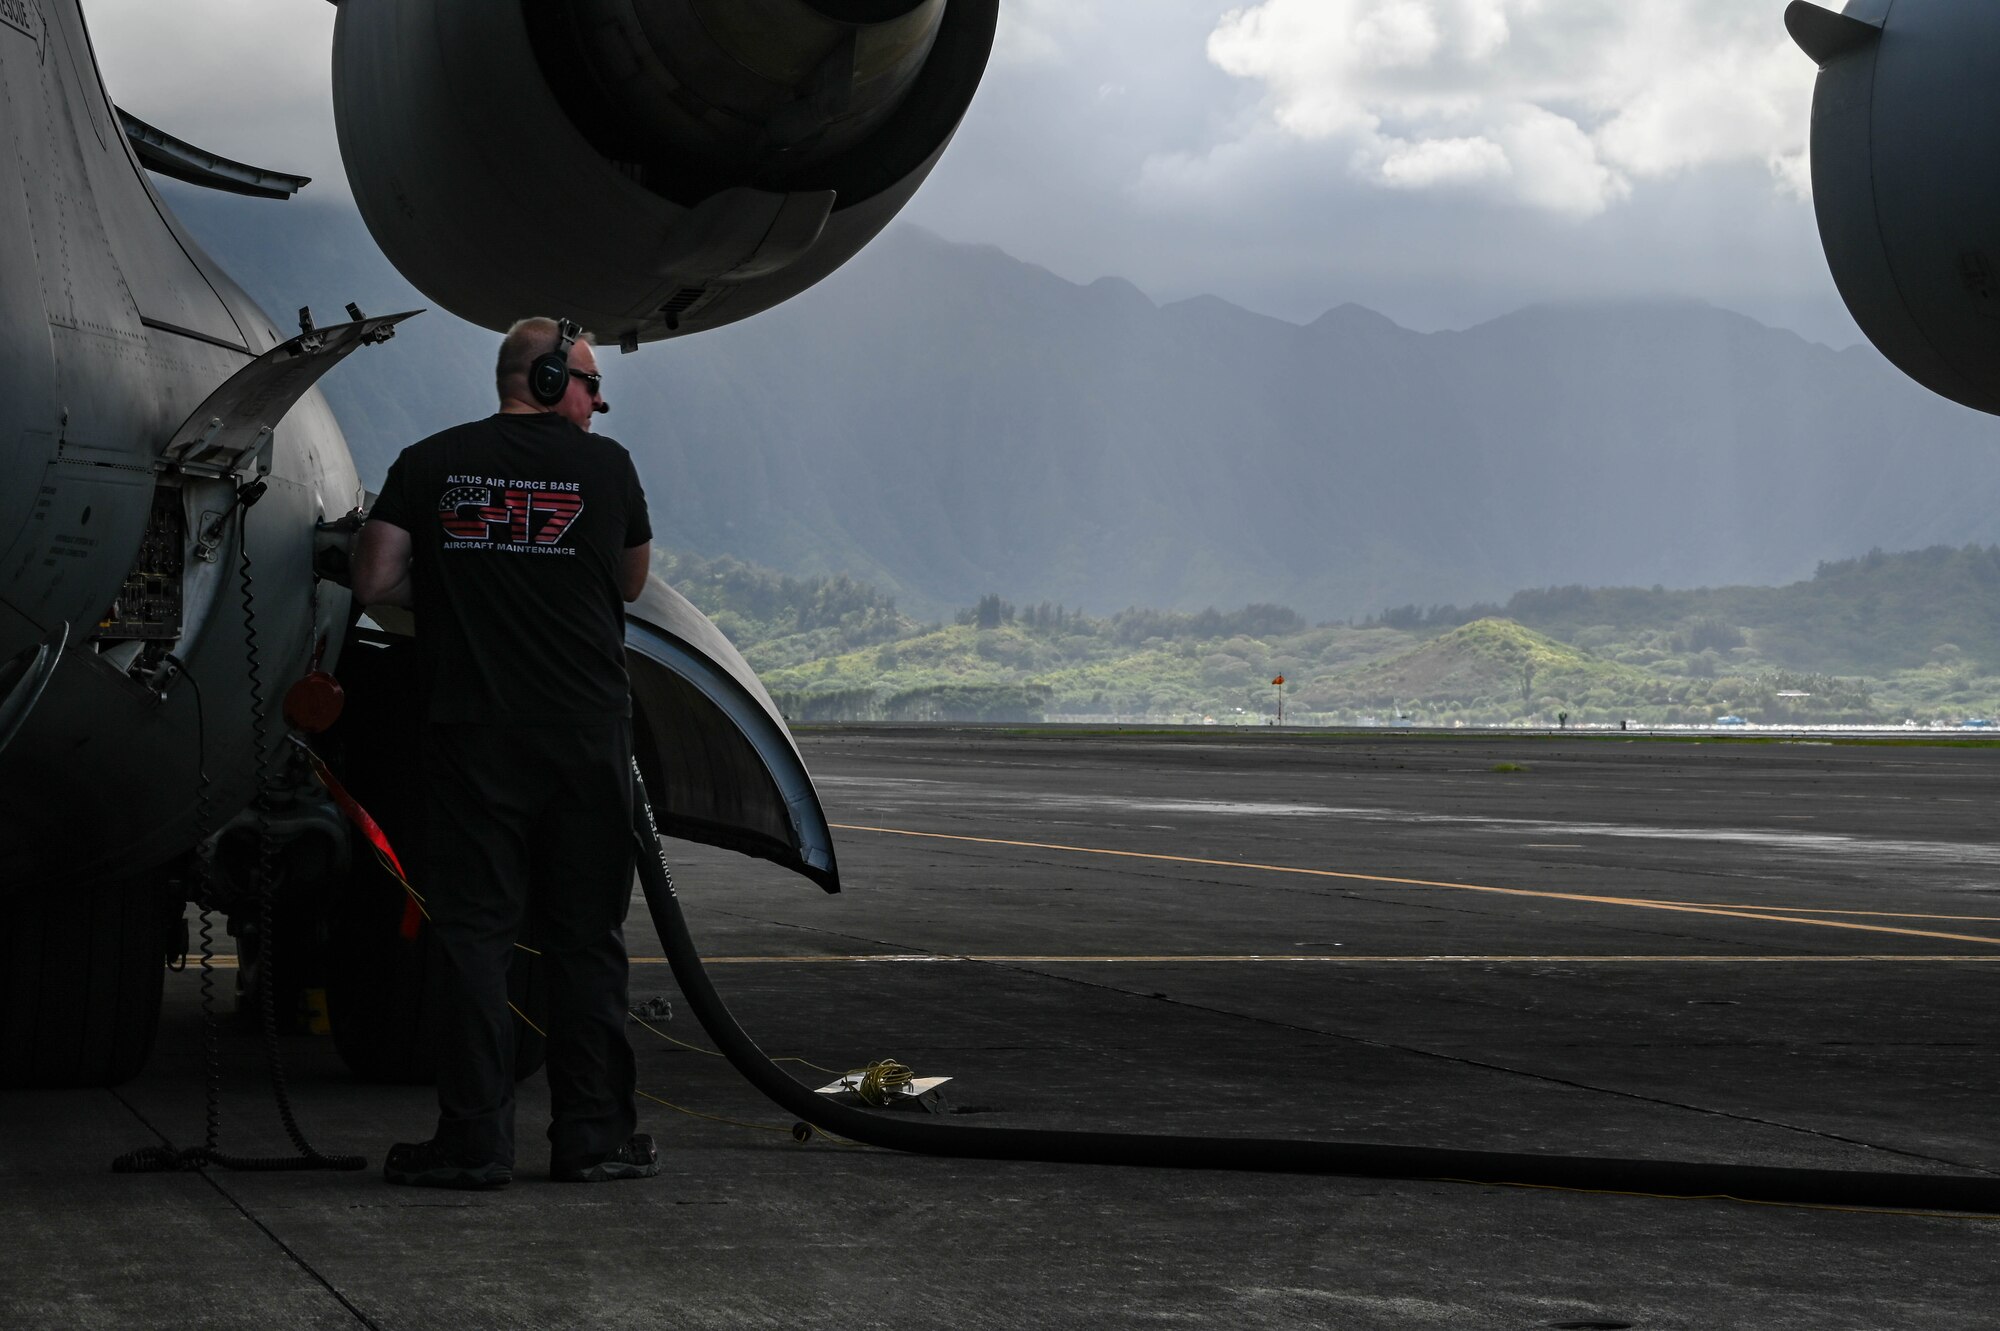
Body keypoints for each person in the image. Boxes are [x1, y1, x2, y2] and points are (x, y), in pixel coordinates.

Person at [351, 316, 656, 1188]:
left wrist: (455, 598)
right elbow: (629, 582)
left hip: (473, 735)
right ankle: (592, 1138)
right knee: (586, 940)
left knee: (475, 939)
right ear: (554, 377)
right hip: (585, 737)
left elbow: (373, 581)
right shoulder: (609, 466)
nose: (599, 401)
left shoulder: (429, 461)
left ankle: (476, 1142)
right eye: (593, 383)